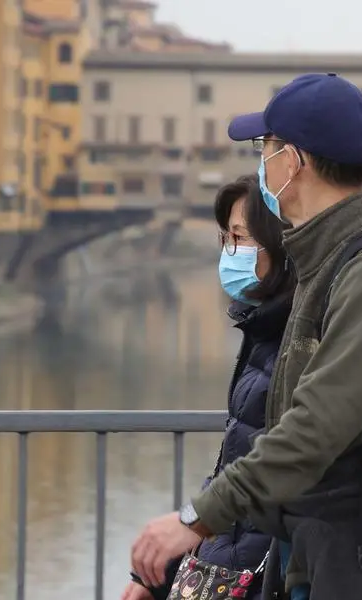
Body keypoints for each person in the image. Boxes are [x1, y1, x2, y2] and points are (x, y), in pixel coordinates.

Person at [130, 73, 362, 599]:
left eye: (264, 149)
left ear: (293, 161)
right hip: (330, 561)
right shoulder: (328, 266)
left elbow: (314, 430)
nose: (260, 164)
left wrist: (196, 518)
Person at [122, 174, 296, 600]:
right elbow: (233, 467)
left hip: (262, 579)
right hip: (232, 568)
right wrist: (156, 575)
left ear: (281, 245)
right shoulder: (264, 334)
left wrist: (188, 524)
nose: (228, 251)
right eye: (225, 237)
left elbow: (275, 470)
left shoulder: (296, 342)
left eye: (239, 237)